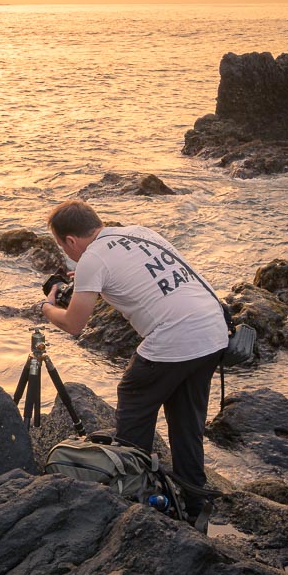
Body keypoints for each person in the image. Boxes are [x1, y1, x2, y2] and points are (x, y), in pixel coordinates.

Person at [39, 199, 228, 525]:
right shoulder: (139, 232)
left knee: (133, 404)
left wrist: (46, 308)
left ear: (70, 241)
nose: (65, 251)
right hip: (214, 331)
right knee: (186, 425)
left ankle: (133, 499)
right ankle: (194, 511)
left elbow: (73, 323)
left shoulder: (92, 259)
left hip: (176, 336)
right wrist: (84, 277)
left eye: (62, 245)